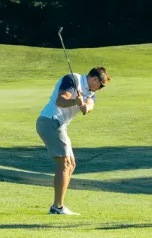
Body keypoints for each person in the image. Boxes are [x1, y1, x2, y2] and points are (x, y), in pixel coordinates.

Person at [35, 66, 110, 215]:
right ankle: (57, 207)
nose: (100, 89)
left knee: (71, 164)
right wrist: (75, 100)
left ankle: (58, 206)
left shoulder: (91, 94)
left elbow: (87, 108)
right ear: (95, 79)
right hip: (51, 120)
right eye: (101, 85)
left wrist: (82, 104)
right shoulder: (73, 79)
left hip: (59, 125)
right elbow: (61, 101)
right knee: (65, 164)